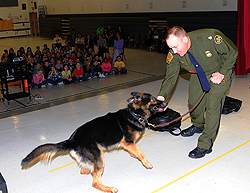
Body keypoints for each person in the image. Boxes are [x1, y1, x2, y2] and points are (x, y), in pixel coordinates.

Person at [157, 26, 238, 159]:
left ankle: (205, 144)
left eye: (176, 47)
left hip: (220, 71)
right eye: (171, 48)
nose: (174, 51)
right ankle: (198, 125)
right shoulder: (174, 54)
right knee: (194, 102)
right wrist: (161, 98)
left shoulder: (210, 37)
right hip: (199, 74)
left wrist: (223, 72)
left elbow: (232, 52)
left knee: (212, 106)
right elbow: (171, 77)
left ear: (185, 38)